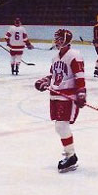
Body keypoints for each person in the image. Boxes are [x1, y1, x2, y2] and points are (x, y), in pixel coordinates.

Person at [34, 29, 86, 173]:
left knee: (62, 126)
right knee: (59, 127)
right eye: (56, 38)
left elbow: (80, 76)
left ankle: (71, 156)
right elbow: (54, 75)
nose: (56, 41)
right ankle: (69, 154)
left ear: (66, 40)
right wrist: (44, 81)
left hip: (67, 96)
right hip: (55, 95)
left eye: (59, 38)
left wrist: (81, 93)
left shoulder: (74, 55)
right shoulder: (55, 57)